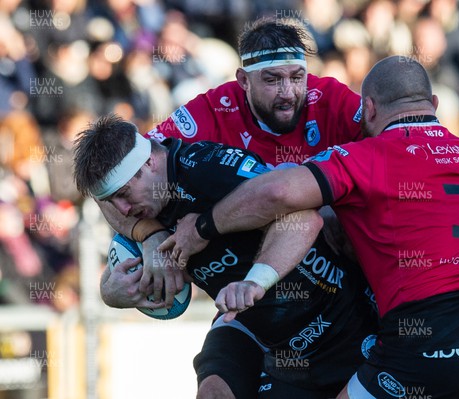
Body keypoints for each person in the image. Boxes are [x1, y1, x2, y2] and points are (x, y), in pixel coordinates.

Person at [165, 56, 459, 399]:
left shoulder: (367, 156)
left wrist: (202, 227)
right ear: (435, 104)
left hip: (425, 333)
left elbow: (279, 191)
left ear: (369, 110)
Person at [96, 18, 364, 398]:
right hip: (249, 304)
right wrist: (150, 236)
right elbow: (110, 176)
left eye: (296, 77)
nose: (288, 92)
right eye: (272, 80)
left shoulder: (333, 100)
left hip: (339, 288)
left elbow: (405, 144)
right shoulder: (208, 112)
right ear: (243, 81)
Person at [77, 115, 376, 398]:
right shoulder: (142, 202)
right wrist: (113, 291)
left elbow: (304, 220)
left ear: (151, 161)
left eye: (125, 194)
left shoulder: (211, 172)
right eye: (111, 200)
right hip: (254, 327)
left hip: (335, 318)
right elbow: (114, 213)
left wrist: (253, 282)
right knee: (213, 392)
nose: (123, 209)